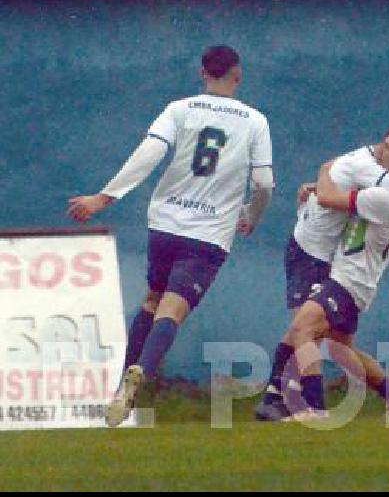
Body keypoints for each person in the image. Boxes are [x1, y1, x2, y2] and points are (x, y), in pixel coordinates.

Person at [67, 45, 274, 427]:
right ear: (238, 75)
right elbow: (263, 182)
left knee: (152, 300)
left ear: (202, 73)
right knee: (172, 309)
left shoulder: (180, 109)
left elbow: (148, 153)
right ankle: (141, 372)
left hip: (165, 224)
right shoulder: (254, 121)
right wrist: (251, 214)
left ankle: (122, 385)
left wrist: (104, 197)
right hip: (209, 233)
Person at [258, 126, 389, 422]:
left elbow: (330, 198)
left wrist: (326, 171)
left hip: (349, 281)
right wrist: (317, 187)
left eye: (388, 147)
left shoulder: (384, 198)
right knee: (340, 348)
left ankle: (311, 407)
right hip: (355, 282)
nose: (379, 148)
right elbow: (346, 199)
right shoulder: (386, 196)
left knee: (303, 329)